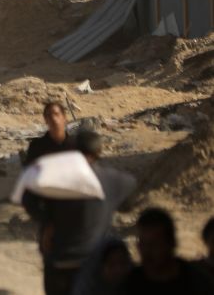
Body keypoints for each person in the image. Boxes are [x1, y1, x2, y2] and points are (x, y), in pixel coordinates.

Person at [29, 131, 137, 295]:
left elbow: (28, 198)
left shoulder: (56, 178)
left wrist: (46, 221)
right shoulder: (113, 180)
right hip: (95, 260)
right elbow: (131, 194)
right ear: (99, 151)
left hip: (60, 260)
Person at [121, 208, 214, 294]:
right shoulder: (130, 284)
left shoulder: (196, 282)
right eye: (143, 244)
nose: (147, 251)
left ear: (172, 243)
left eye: (154, 244)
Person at [25, 101, 78, 165]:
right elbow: (30, 171)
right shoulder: (37, 146)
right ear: (46, 120)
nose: (53, 118)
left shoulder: (76, 144)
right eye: (49, 115)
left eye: (56, 114)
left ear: (64, 118)